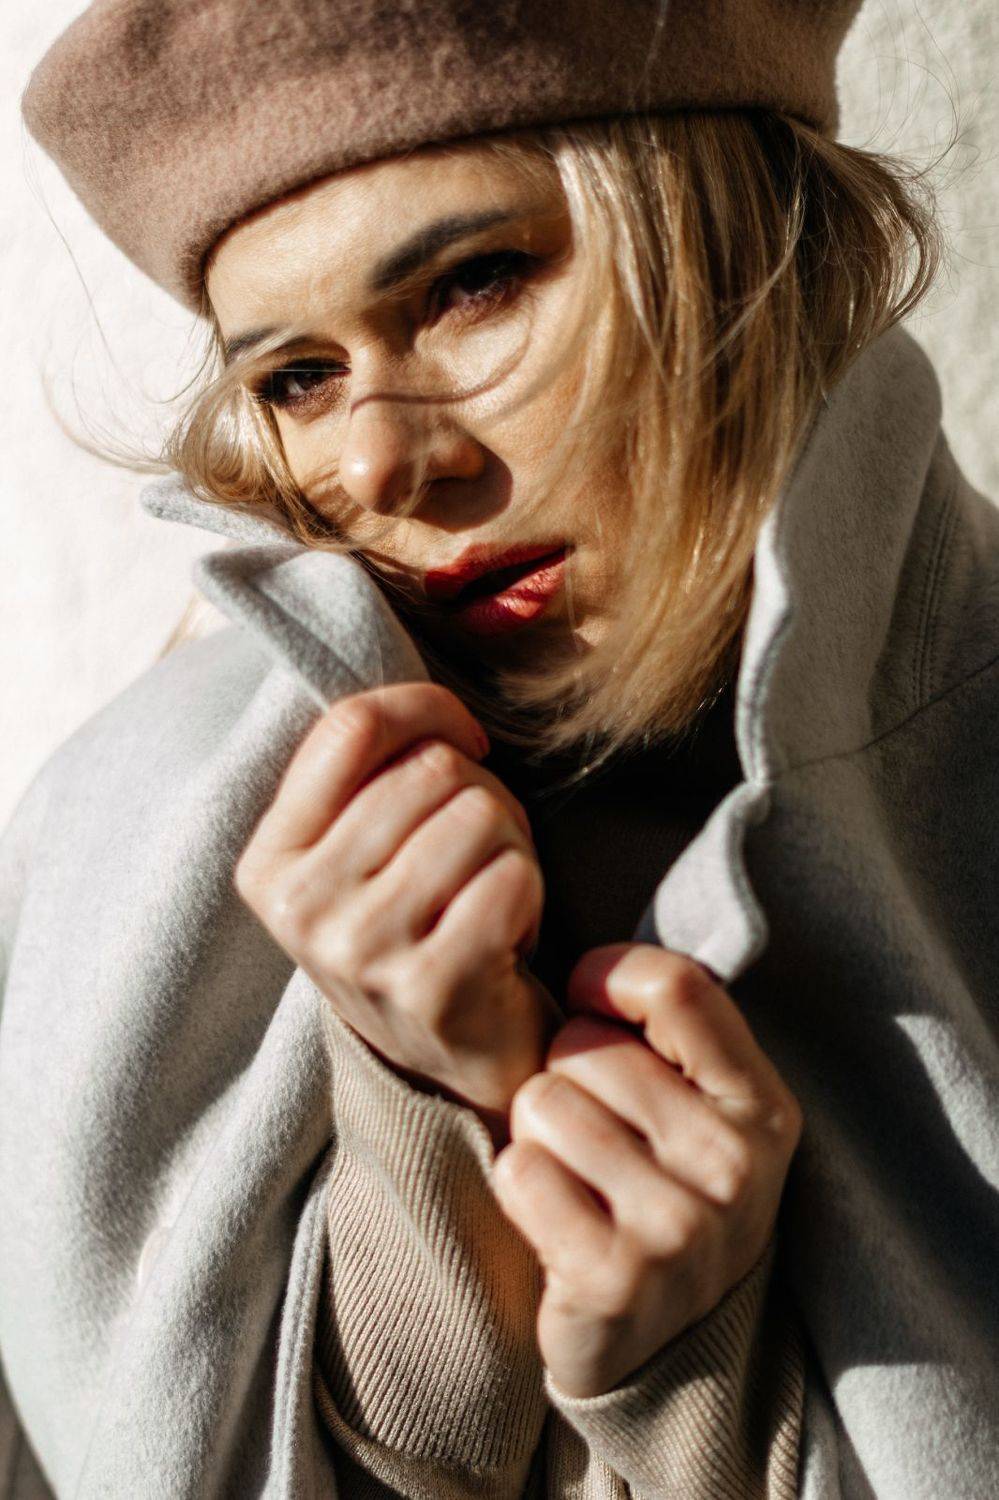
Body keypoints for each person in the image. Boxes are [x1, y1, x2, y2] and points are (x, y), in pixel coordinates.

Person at [3, 1, 996, 1497]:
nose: (380, 462)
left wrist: (687, 1387)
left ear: (738, 238)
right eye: (297, 378)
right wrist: (426, 1136)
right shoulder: (123, 851)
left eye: (471, 285)